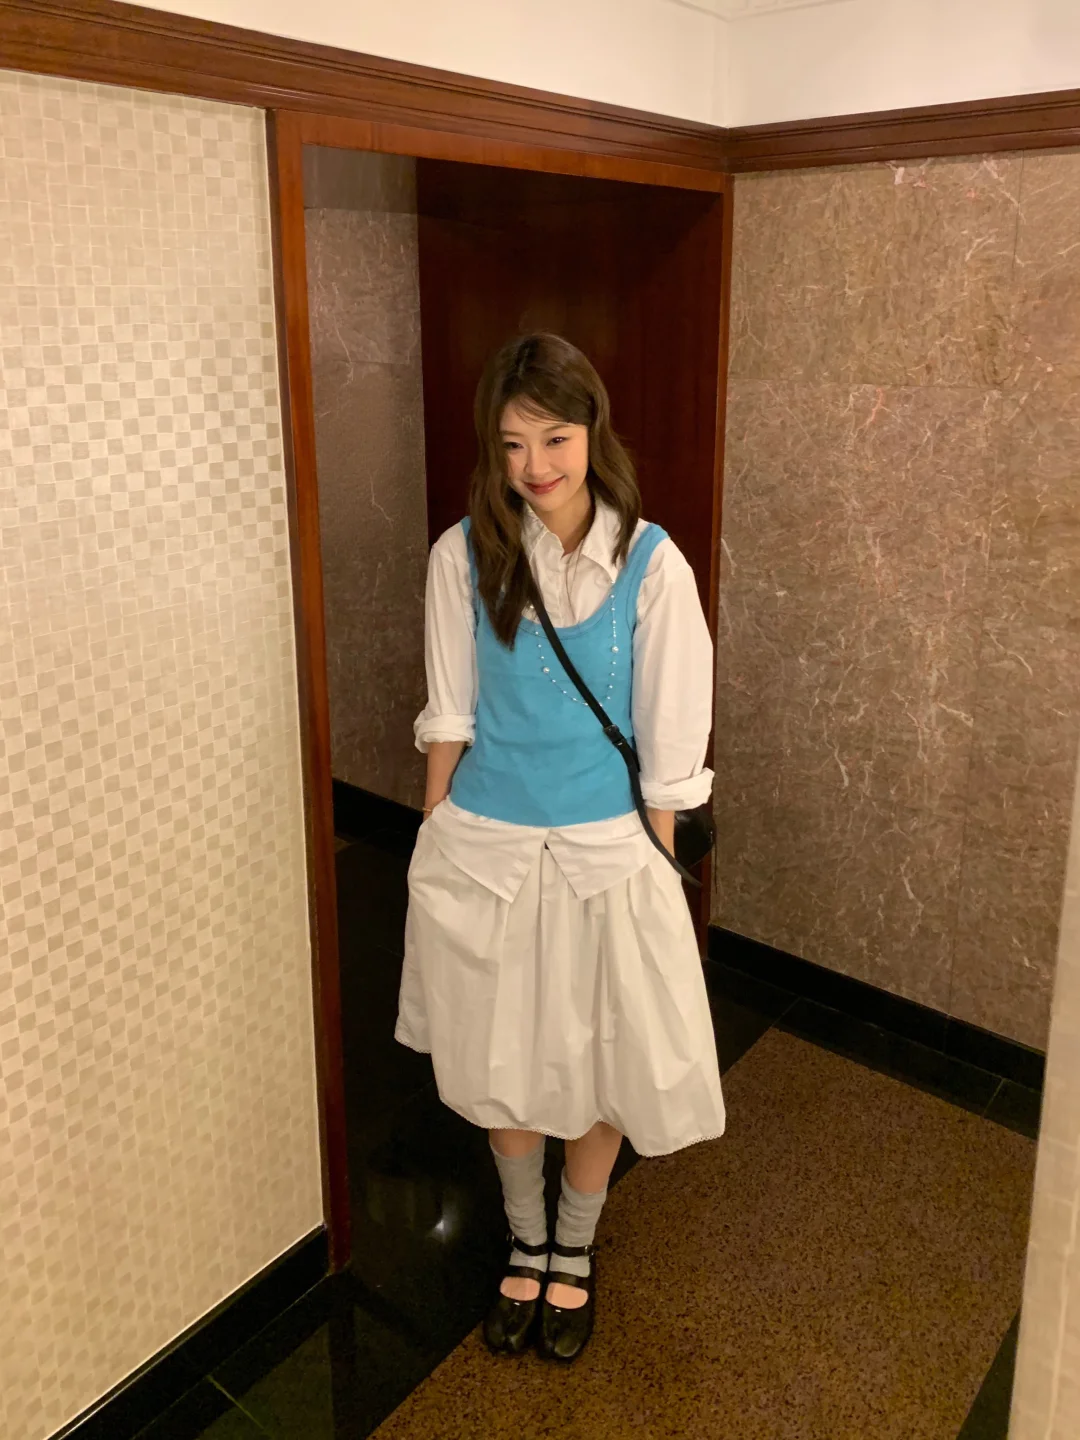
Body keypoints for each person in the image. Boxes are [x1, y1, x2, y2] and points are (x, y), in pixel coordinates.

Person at [395, 332, 725, 1364]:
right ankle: (525, 1238)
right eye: (512, 444)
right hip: (486, 853)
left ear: (593, 433)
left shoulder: (652, 565)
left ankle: (574, 1245)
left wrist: (655, 868)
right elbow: (450, 714)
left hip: (605, 859)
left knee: (600, 1064)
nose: (534, 465)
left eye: (554, 438)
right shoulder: (461, 556)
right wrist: (434, 834)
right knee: (503, 1063)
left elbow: (672, 745)